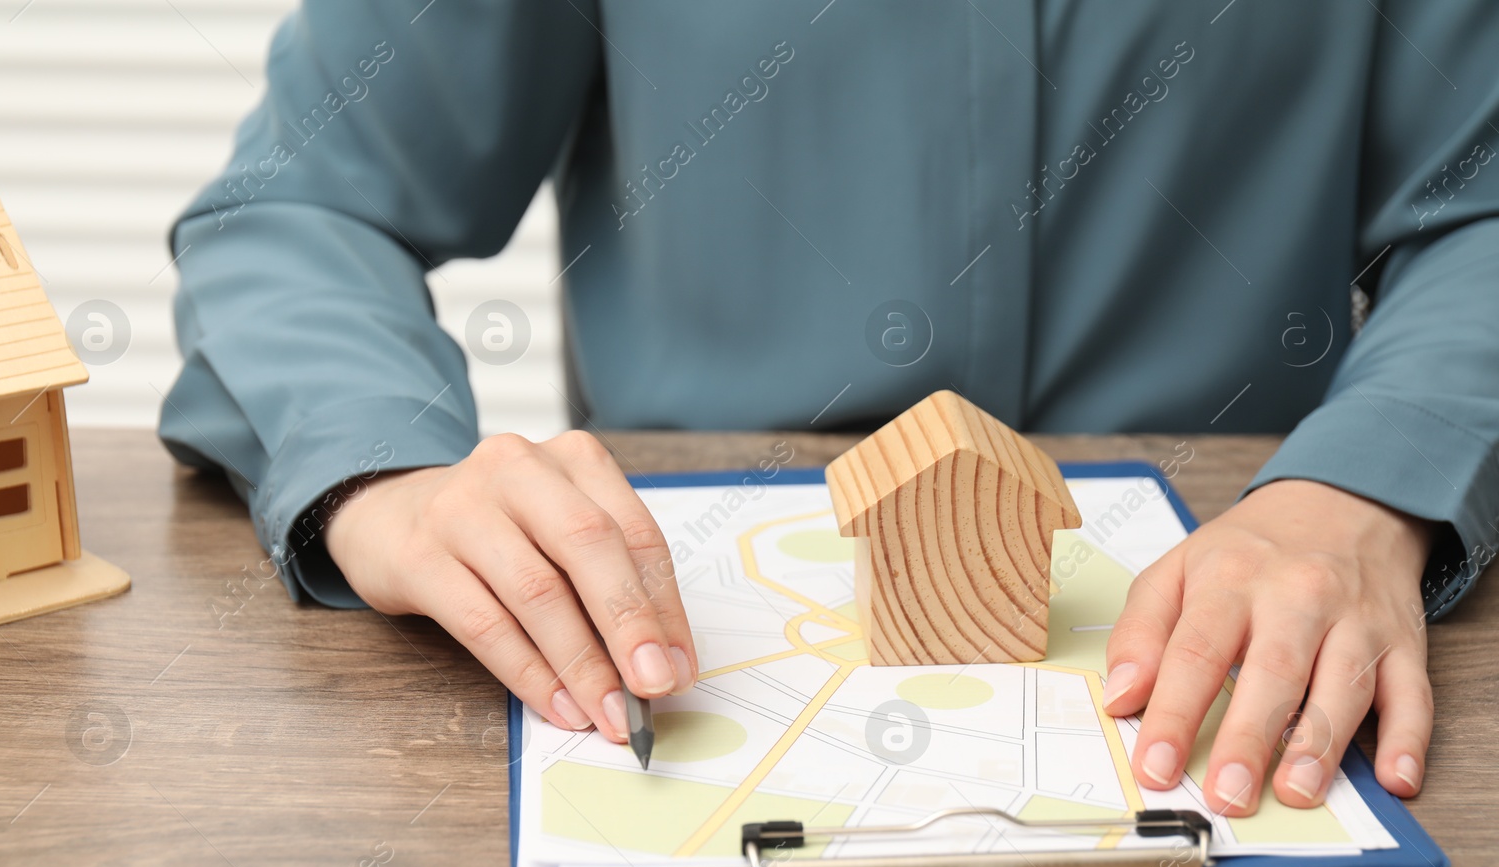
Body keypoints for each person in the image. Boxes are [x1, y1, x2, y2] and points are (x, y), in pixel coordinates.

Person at [162, 1, 1499, 817]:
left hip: (1259, 647)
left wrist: (1369, 489)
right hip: (685, 665)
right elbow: (301, 204)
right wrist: (385, 472)